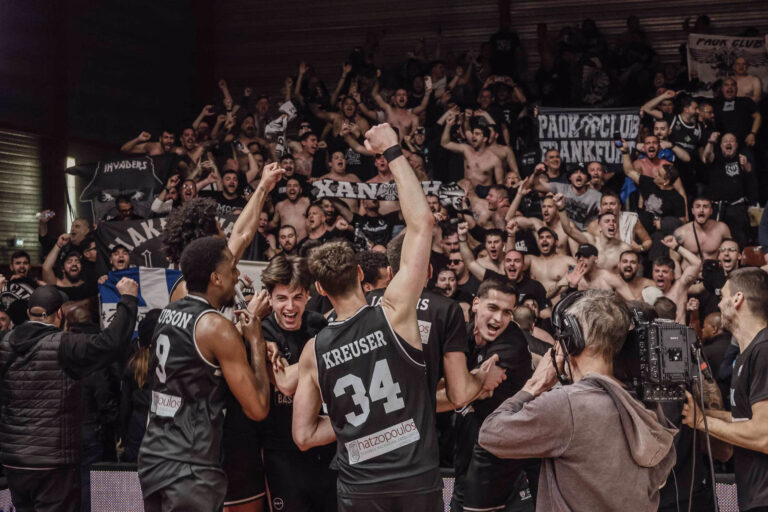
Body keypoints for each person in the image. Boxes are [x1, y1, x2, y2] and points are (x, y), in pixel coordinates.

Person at [293, 123, 443, 511]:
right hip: (416, 480)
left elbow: (304, 436)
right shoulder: (395, 312)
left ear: (319, 289)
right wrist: (392, 150)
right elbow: (422, 223)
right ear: (361, 273)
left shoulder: (313, 351)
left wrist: (357, 426)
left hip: (360, 488)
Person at [479, 290, 677, 511]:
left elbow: (490, 435)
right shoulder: (644, 403)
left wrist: (533, 385)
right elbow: (660, 478)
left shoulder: (566, 405)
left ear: (574, 340)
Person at [138, 237, 271, 512]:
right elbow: (257, 408)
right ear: (216, 278)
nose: (237, 275)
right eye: (232, 269)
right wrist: (256, 341)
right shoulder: (215, 327)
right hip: (190, 465)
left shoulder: (167, 313)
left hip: (153, 456)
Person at [0, 279, 139, 512]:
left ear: (28, 313)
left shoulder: (4, 343)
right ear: (59, 314)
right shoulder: (64, 345)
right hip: (53, 463)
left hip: (15, 462)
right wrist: (128, 299)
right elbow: (111, 343)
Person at [683, 268, 768, 511]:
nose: (719, 304)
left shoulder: (764, 350)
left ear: (737, 299)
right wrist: (703, 413)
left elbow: (763, 435)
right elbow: (745, 419)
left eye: (723, 296)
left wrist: (702, 421)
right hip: (753, 495)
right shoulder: (747, 354)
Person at [257, 255, 337, 512]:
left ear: (307, 296)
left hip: (322, 445)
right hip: (280, 449)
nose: (290, 306)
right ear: (270, 298)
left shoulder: (318, 324)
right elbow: (284, 383)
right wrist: (320, 356)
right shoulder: (262, 331)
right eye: (281, 298)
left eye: (297, 297)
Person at [440, 111, 503, 197]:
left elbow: (500, 185)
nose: (473, 136)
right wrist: (448, 125)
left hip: (484, 196)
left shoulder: (495, 159)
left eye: (477, 134)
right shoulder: (466, 150)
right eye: (473, 133)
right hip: (467, 193)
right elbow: (445, 143)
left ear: (484, 139)